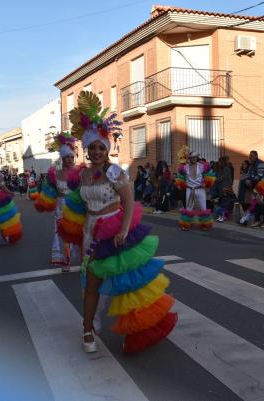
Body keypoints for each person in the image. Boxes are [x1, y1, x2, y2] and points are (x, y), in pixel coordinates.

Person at [59, 91, 176, 353]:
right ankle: (88, 328)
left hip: (115, 236)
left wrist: (123, 230)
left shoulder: (115, 172)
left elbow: (130, 202)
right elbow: (79, 205)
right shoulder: (83, 175)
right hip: (91, 233)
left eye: (102, 147)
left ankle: (139, 329)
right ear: (86, 149)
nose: (97, 151)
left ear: (107, 149)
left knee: (128, 287)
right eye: (93, 147)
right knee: (91, 284)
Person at [34, 131, 81, 270]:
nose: (70, 159)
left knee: (76, 231)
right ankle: (65, 259)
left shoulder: (79, 172)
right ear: (62, 158)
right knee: (62, 231)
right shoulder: (56, 173)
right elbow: (50, 191)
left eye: (72, 157)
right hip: (61, 205)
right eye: (67, 157)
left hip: (75, 206)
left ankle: (79, 257)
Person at [175, 147, 215, 231]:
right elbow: (180, 176)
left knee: (203, 207)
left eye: (194, 157)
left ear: (197, 158)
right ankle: (186, 224)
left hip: (200, 189)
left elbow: (210, 174)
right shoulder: (185, 167)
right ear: (189, 159)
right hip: (189, 189)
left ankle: (205, 225)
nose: (193, 159)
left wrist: (206, 183)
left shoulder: (202, 166)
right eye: (191, 157)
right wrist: (180, 184)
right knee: (189, 208)